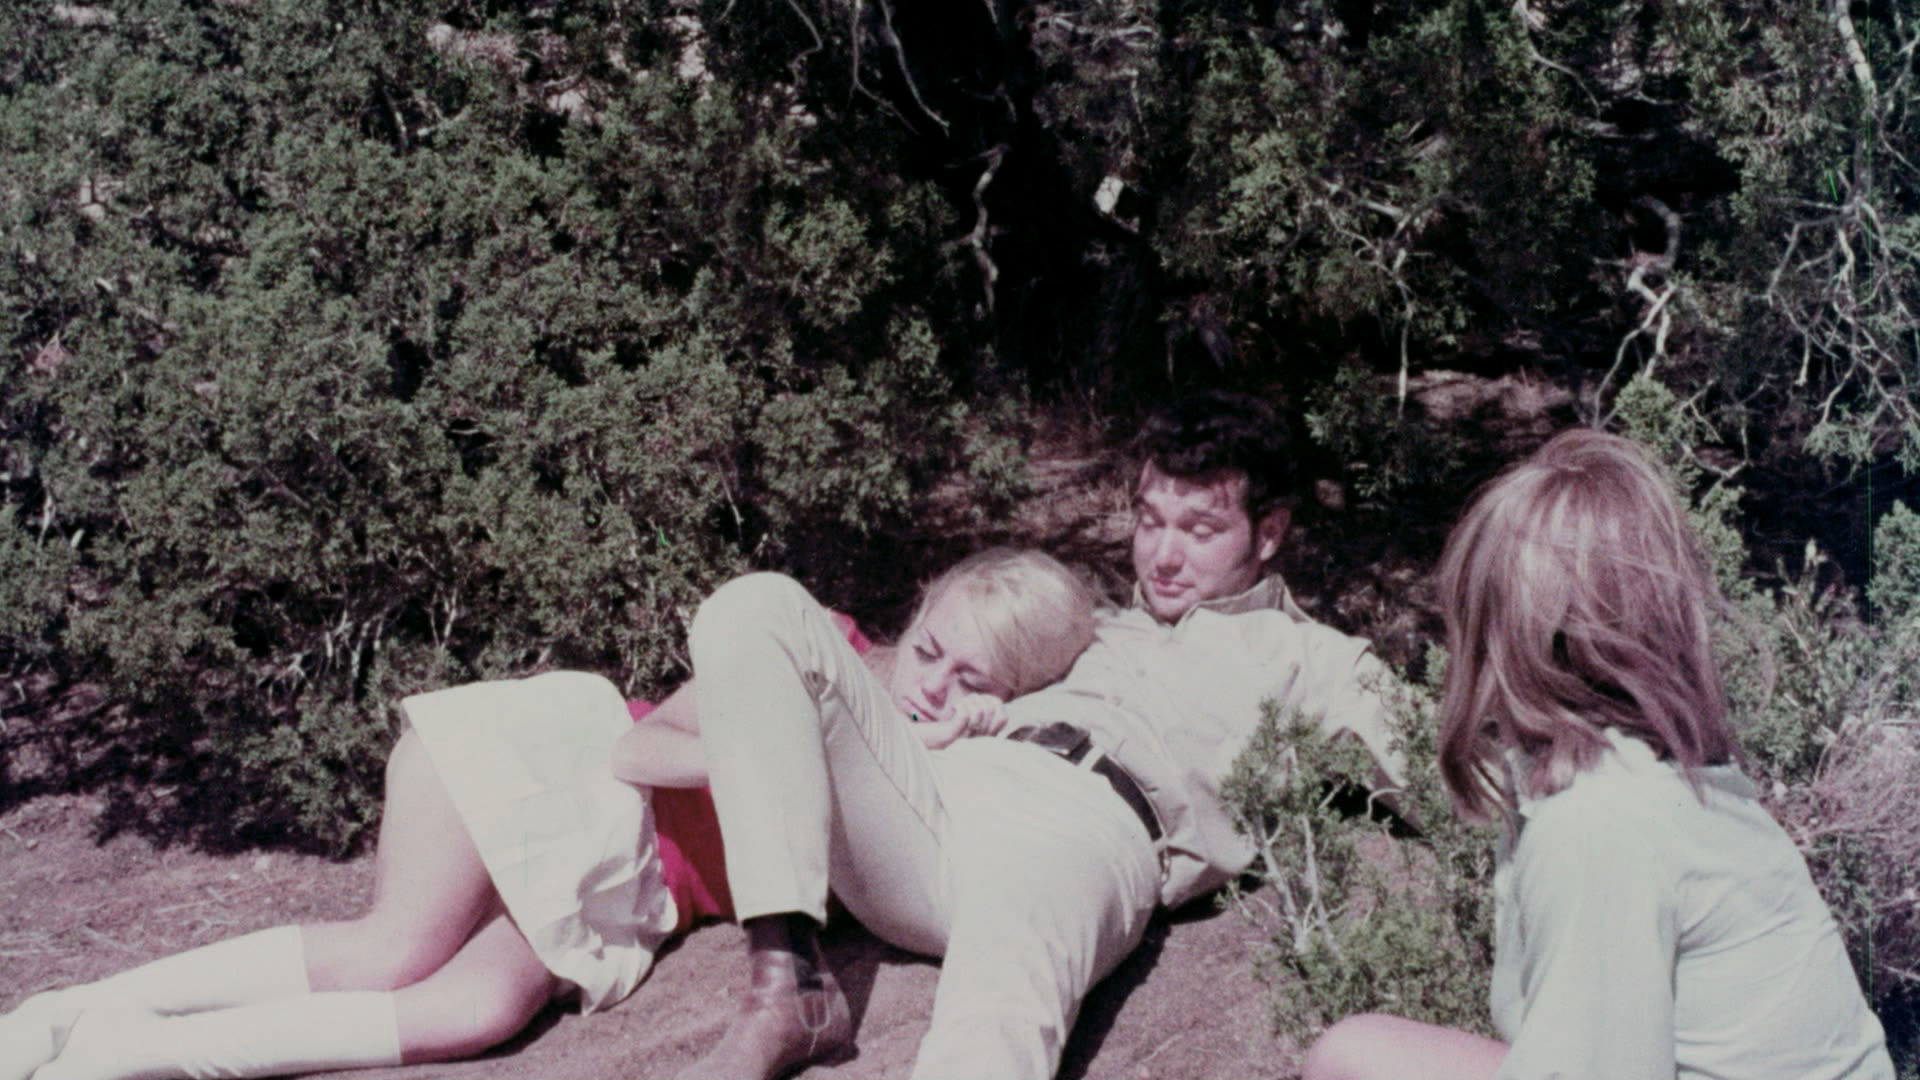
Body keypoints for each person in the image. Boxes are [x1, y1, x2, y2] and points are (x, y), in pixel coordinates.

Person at [0, 547, 1098, 1080]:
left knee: (475, 1011)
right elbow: (638, 750)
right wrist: (787, 765)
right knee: (394, 949)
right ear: (916, 612)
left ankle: (128, 1055)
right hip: (574, 777)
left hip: (631, 886)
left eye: (973, 682)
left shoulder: (944, 782)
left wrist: (958, 747)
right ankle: (63, 1011)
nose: (933, 686)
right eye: (932, 649)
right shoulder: (828, 650)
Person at [676, 390, 1408, 1080]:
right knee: (757, 604)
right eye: (1150, 521)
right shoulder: (1094, 624)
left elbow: (1440, 770)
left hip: (1082, 826)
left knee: (987, 1035)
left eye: (1199, 531)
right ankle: (788, 983)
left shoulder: (1314, 661)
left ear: (1269, 532)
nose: (1163, 556)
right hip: (940, 796)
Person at [1300, 429, 1896, 1080]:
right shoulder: (1654, 778)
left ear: (1500, 641)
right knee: (1357, 1052)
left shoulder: (1595, 825)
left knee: (1349, 1061)